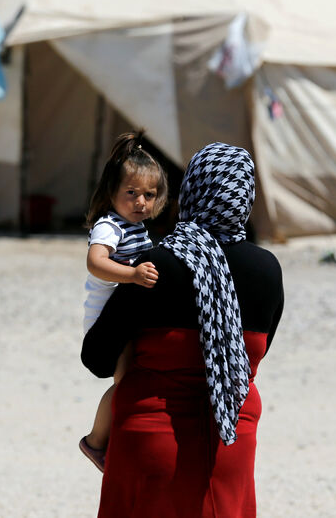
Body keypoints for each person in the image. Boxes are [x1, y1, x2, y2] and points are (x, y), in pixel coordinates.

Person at [82, 142, 284, 517]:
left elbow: (97, 358)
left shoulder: (155, 265)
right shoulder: (267, 271)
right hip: (231, 441)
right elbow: (254, 353)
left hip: (152, 440)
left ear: (191, 190)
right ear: (246, 196)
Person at [79, 131, 169, 472]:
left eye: (149, 194)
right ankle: (97, 441)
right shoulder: (109, 226)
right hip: (106, 319)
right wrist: (131, 275)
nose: (141, 202)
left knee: (133, 375)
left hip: (126, 315)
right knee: (125, 382)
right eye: (131, 193)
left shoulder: (139, 228)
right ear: (111, 194)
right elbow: (95, 261)